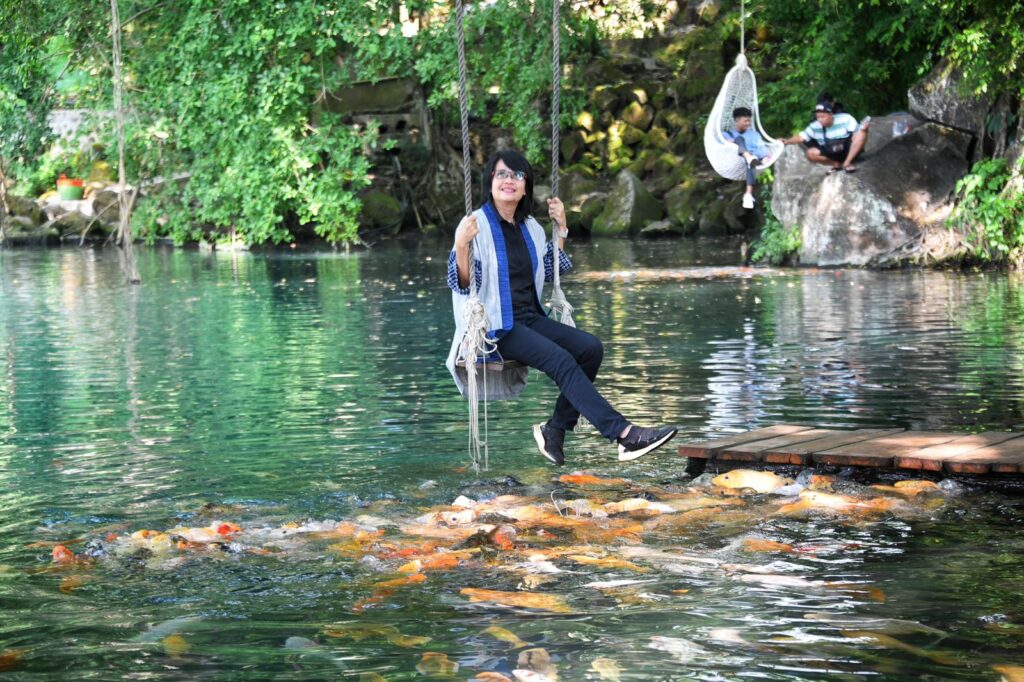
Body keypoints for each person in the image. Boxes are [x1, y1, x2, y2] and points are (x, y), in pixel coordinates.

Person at [445, 149, 677, 466]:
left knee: (590, 349)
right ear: (489, 182)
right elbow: (463, 283)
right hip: (496, 328)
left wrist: (562, 230)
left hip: (529, 318)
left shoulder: (532, 228)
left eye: (517, 175)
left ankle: (555, 429)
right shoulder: (475, 225)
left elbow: (549, 272)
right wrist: (460, 244)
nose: (508, 180)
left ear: (526, 186)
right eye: (501, 174)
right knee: (561, 360)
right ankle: (623, 434)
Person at [782, 102, 870, 173]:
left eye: (823, 117)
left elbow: (859, 130)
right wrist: (787, 141)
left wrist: (865, 128)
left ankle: (847, 163)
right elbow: (800, 137)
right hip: (831, 154)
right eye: (818, 117)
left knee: (861, 133)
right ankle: (836, 164)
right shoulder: (815, 126)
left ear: (831, 114)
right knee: (810, 153)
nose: (820, 119)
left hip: (848, 150)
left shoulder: (845, 118)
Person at [726, 107, 768, 209]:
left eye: (749, 121)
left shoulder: (754, 135)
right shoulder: (726, 134)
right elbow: (723, 147)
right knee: (739, 139)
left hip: (752, 160)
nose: (748, 123)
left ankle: (748, 194)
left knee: (751, 162)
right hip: (734, 159)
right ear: (737, 120)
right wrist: (731, 142)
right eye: (746, 121)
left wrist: (756, 155)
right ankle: (748, 157)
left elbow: (763, 150)